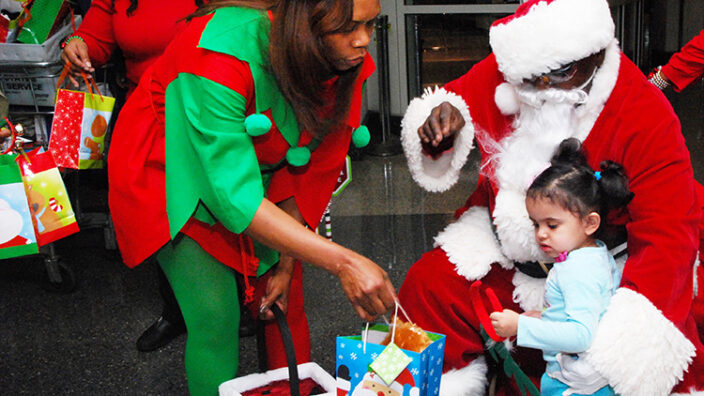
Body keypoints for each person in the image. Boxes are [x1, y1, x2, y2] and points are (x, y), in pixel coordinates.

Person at [397, 0, 704, 394]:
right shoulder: (518, 66)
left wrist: (618, 347)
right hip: (509, 250)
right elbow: (450, 105)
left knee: (637, 366)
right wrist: (439, 126)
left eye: (559, 74)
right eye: (530, 79)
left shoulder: (644, 112)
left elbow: (669, 238)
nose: (542, 89)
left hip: (601, 267)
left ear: (595, 52)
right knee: (429, 286)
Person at [107, 0, 396, 394]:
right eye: (347, 27)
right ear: (302, 23)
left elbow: (309, 167)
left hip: (262, 163)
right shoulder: (215, 53)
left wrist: (288, 261)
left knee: (284, 298)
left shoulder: (345, 60)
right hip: (168, 166)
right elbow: (234, 194)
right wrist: (344, 262)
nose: (363, 40)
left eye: (371, 25)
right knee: (214, 316)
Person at [60, 0, 204, 352]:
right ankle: (176, 310)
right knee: (159, 211)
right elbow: (96, 37)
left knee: (214, 208)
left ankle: (240, 303)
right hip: (147, 112)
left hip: (211, 107)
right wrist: (78, 47)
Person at [490, 138, 632, 396]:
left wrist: (520, 328)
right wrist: (544, 318)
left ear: (590, 223)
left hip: (576, 386)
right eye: (535, 224)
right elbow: (589, 311)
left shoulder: (578, 270)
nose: (541, 234)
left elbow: (581, 335)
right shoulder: (593, 253)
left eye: (552, 225)